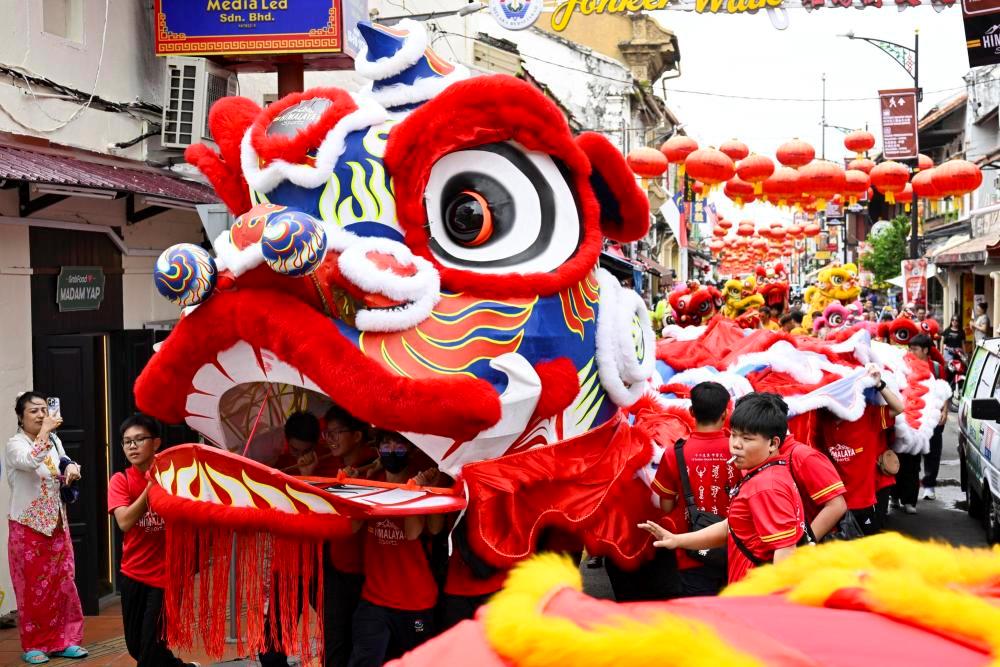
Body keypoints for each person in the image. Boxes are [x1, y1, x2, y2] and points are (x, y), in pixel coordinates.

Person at [640, 392, 808, 585]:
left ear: (772, 443)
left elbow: (785, 550)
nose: (736, 445)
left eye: (747, 439)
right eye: (734, 435)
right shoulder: (764, 474)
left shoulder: (765, 486)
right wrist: (677, 540)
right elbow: (732, 526)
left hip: (755, 594)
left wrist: (773, 600)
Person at [108, 414, 199, 667]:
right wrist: (151, 487)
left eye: (139, 439)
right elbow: (124, 522)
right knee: (136, 647)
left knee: (150, 647)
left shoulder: (177, 479)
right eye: (127, 442)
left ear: (156, 443)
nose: (132, 446)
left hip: (168, 576)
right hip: (133, 573)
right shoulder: (120, 480)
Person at [348, 432, 443, 666]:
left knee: (419, 662)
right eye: (386, 446)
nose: (392, 451)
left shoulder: (422, 484)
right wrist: (352, 486)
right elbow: (352, 526)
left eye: (399, 447)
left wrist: (414, 492)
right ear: (378, 450)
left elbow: (412, 533)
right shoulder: (372, 484)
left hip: (416, 603)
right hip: (375, 599)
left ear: (411, 450)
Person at [5, 392, 86, 665]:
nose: (41, 415)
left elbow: (63, 460)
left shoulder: (54, 440)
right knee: (32, 589)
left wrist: (71, 468)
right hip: (28, 527)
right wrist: (45, 433)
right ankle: (34, 644)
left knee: (63, 583)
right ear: (20, 417)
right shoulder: (15, 444)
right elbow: (30, 461)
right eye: (33, 411)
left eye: (43, 409)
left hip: (57, 523)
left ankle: (67, 640)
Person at [651, 381, 736, 596]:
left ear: (691, 412)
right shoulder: (740, 449)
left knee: (700, 610)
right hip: (735, 548)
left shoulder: (674, 452)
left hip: (691, 550)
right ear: (725, 413)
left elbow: (666, 505)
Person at [817, 365, 903, 533]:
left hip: (865, 502)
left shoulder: (867, 416)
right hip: (835, 503)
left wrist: (879, 384)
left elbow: (898, 408)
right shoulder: (822, 421)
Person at [323, 406, 378, 667]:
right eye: (327, 433)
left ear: (357, 436)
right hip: (336, 567)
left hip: (371, 573)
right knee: (335, 642)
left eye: (337, 433)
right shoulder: (330, 468)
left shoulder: (377, 468)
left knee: (362, 646)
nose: (331, 439)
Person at [898, 335, 948, 505]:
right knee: (909, 455)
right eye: (910, 349)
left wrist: (944, 411)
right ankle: (905, 493)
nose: (911, 352)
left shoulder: (936, 368)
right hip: (911, 416)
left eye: (915, 349)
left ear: (925, 350)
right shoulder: (904, 367)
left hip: (932, 416)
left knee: (933, 452)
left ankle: (929, 486)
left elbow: (943, 390)